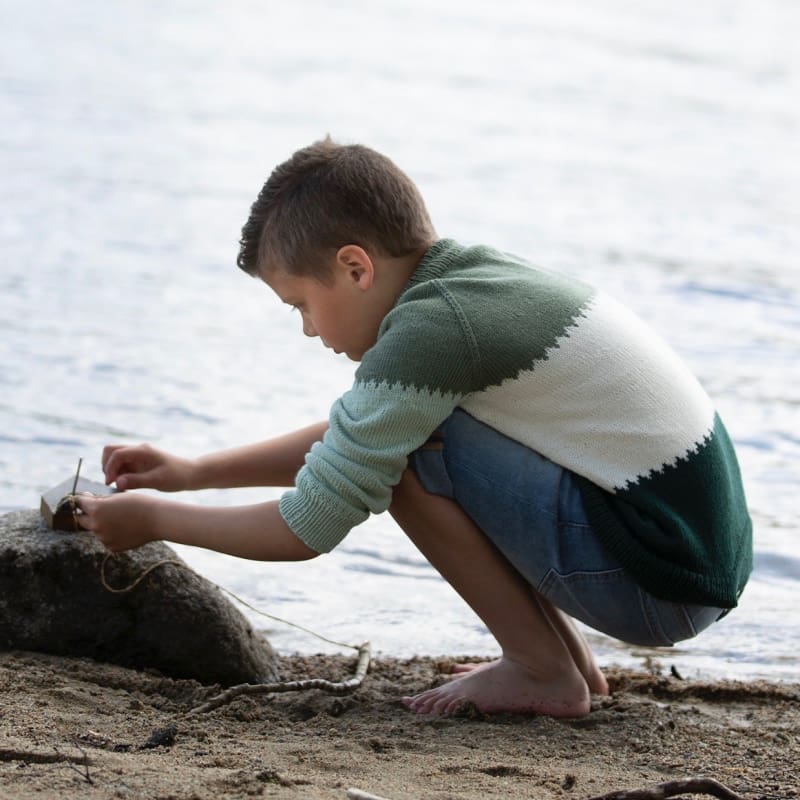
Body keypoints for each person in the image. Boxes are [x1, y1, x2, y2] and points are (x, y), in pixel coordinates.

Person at [76, 136, 753, 718]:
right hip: (679, 561)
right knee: (417, 440)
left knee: (410, 462)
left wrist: (157, 519)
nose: (310, 330)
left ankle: (542, 670)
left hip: (656, 581)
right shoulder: (469, 284)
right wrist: (197, 473)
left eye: (301, 307)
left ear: (354, 267)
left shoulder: (432, 331)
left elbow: (308, 526)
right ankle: (562, 664)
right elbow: (360, 437)